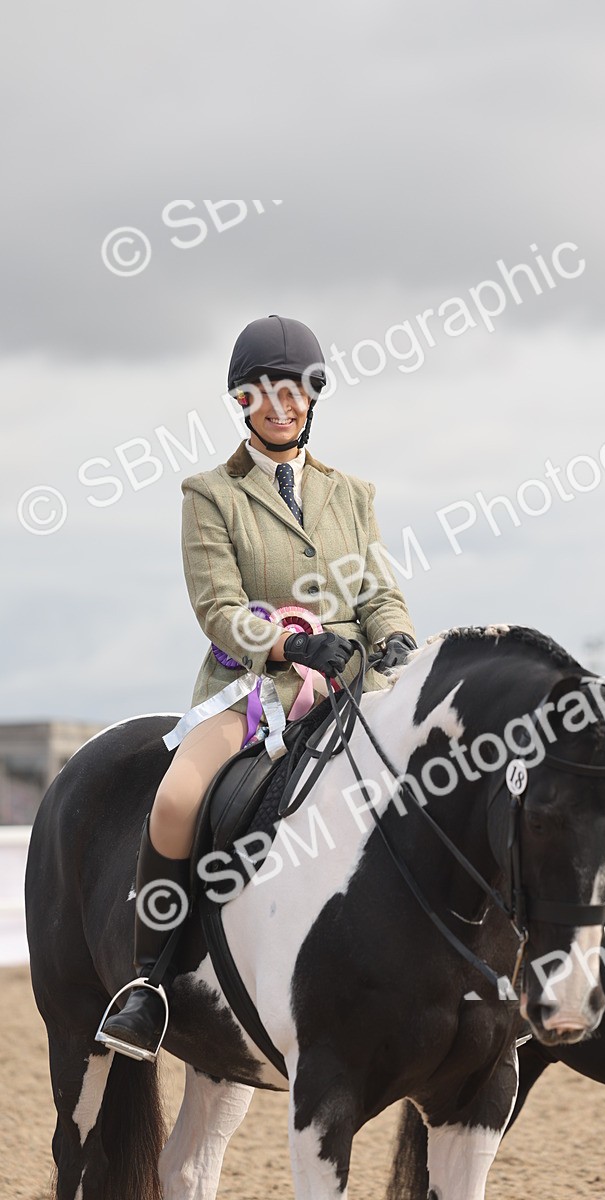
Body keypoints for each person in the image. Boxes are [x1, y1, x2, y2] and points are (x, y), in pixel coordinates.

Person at [98, 315, 417, 1057]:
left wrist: (395, 634)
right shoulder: (210, 493)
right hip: (252, 691)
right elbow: (216, 607)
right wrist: (290, 640)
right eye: (264, 391)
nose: (282, 404)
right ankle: (149, 982)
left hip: (349, 686)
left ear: (314, 395)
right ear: (242, 400)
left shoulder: (352, 494)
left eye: (296, 389)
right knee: (178, 798)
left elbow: (378, 592)